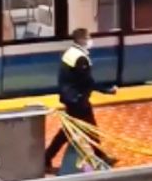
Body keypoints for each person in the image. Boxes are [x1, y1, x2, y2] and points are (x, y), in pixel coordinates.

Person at [44, 28, 117, 173]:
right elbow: (87, 82)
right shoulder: (80, 58)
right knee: (90, 129)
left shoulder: (70, 53)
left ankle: (46, 157)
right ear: (82, 39)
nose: (90, 40)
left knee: (67, 132)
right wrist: (107, 90)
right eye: (88, 37)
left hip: (71, 98)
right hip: (78, 100)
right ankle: (101, 158)